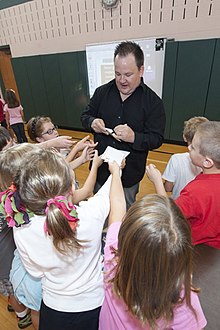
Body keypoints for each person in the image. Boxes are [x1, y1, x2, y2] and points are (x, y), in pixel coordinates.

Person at [0, 148, 122, 330]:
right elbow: (112, 201)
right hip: (92, 305)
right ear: (72, 188)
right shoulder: (88, 216)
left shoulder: (21, 228)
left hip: (53, 308)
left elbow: (35, 272)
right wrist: (116, 172)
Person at [99, 177, 207, 329]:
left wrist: (115, 172)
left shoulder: (112, 260)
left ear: (124, 237)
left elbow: (117, 206)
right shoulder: (182, 296)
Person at [81, 41, 166, 209]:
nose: (121, 80)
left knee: (123, 217)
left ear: (141, 70)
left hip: (129, 176)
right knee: (98, 211)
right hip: (101, 171)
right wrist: (92, 123)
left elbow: (157, 139)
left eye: (128, 74)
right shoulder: (102, 92)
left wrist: (133, 137)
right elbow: (85, 116)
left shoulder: (153, 102)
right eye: (117, 73)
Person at [146, 120, 220, 249]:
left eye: (193, 147)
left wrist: (157, 180)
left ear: (207, 162)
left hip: (196, 248)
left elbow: (170, 215)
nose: (188, 148)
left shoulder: (196, 191)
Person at [27, 115, 97, 171]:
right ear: (39, 139)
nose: (55, 132)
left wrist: (83, 156)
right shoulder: (43, 156)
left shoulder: (62, 148)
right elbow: (61, 170)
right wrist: (76, 148)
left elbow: (69, 167)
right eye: (49, 131)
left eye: (54, 128)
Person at [162, 116, 209, 199]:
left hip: (179, 203)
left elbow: (167, 188)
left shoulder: (176, 159)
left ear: (184, 137)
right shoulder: (212, 162)